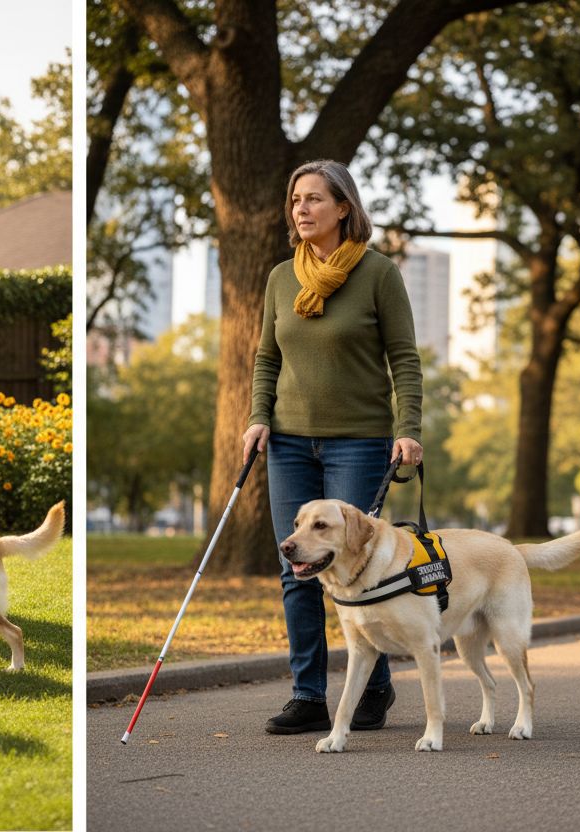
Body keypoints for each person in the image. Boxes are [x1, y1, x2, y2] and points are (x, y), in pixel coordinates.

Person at [242, 159, 424, 736]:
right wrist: (257, 417)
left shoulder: (377, 273)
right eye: (296, 199)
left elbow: (404, 357)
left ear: (344, 207)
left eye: (315, 199)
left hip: (360, 442)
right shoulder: (280, 278)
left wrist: (408, 426)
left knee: (359, 563)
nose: (302, 208)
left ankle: (373, 687)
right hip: (289, 442)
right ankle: (307, 695)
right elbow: (267, 357)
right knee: (297, 564)